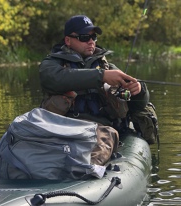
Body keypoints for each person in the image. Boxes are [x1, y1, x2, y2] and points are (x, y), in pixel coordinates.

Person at [39, 15, 150, 165]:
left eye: (94, 37)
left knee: (104, 138)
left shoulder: (108, 67)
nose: (91, 41)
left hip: (99, 129)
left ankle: (87, 173)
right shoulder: (51, 64)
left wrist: (139, 90)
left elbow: (138, 105)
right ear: (68, 40)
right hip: (60, 126)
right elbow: (53, 79)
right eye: (84, 37)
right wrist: (101, 76)